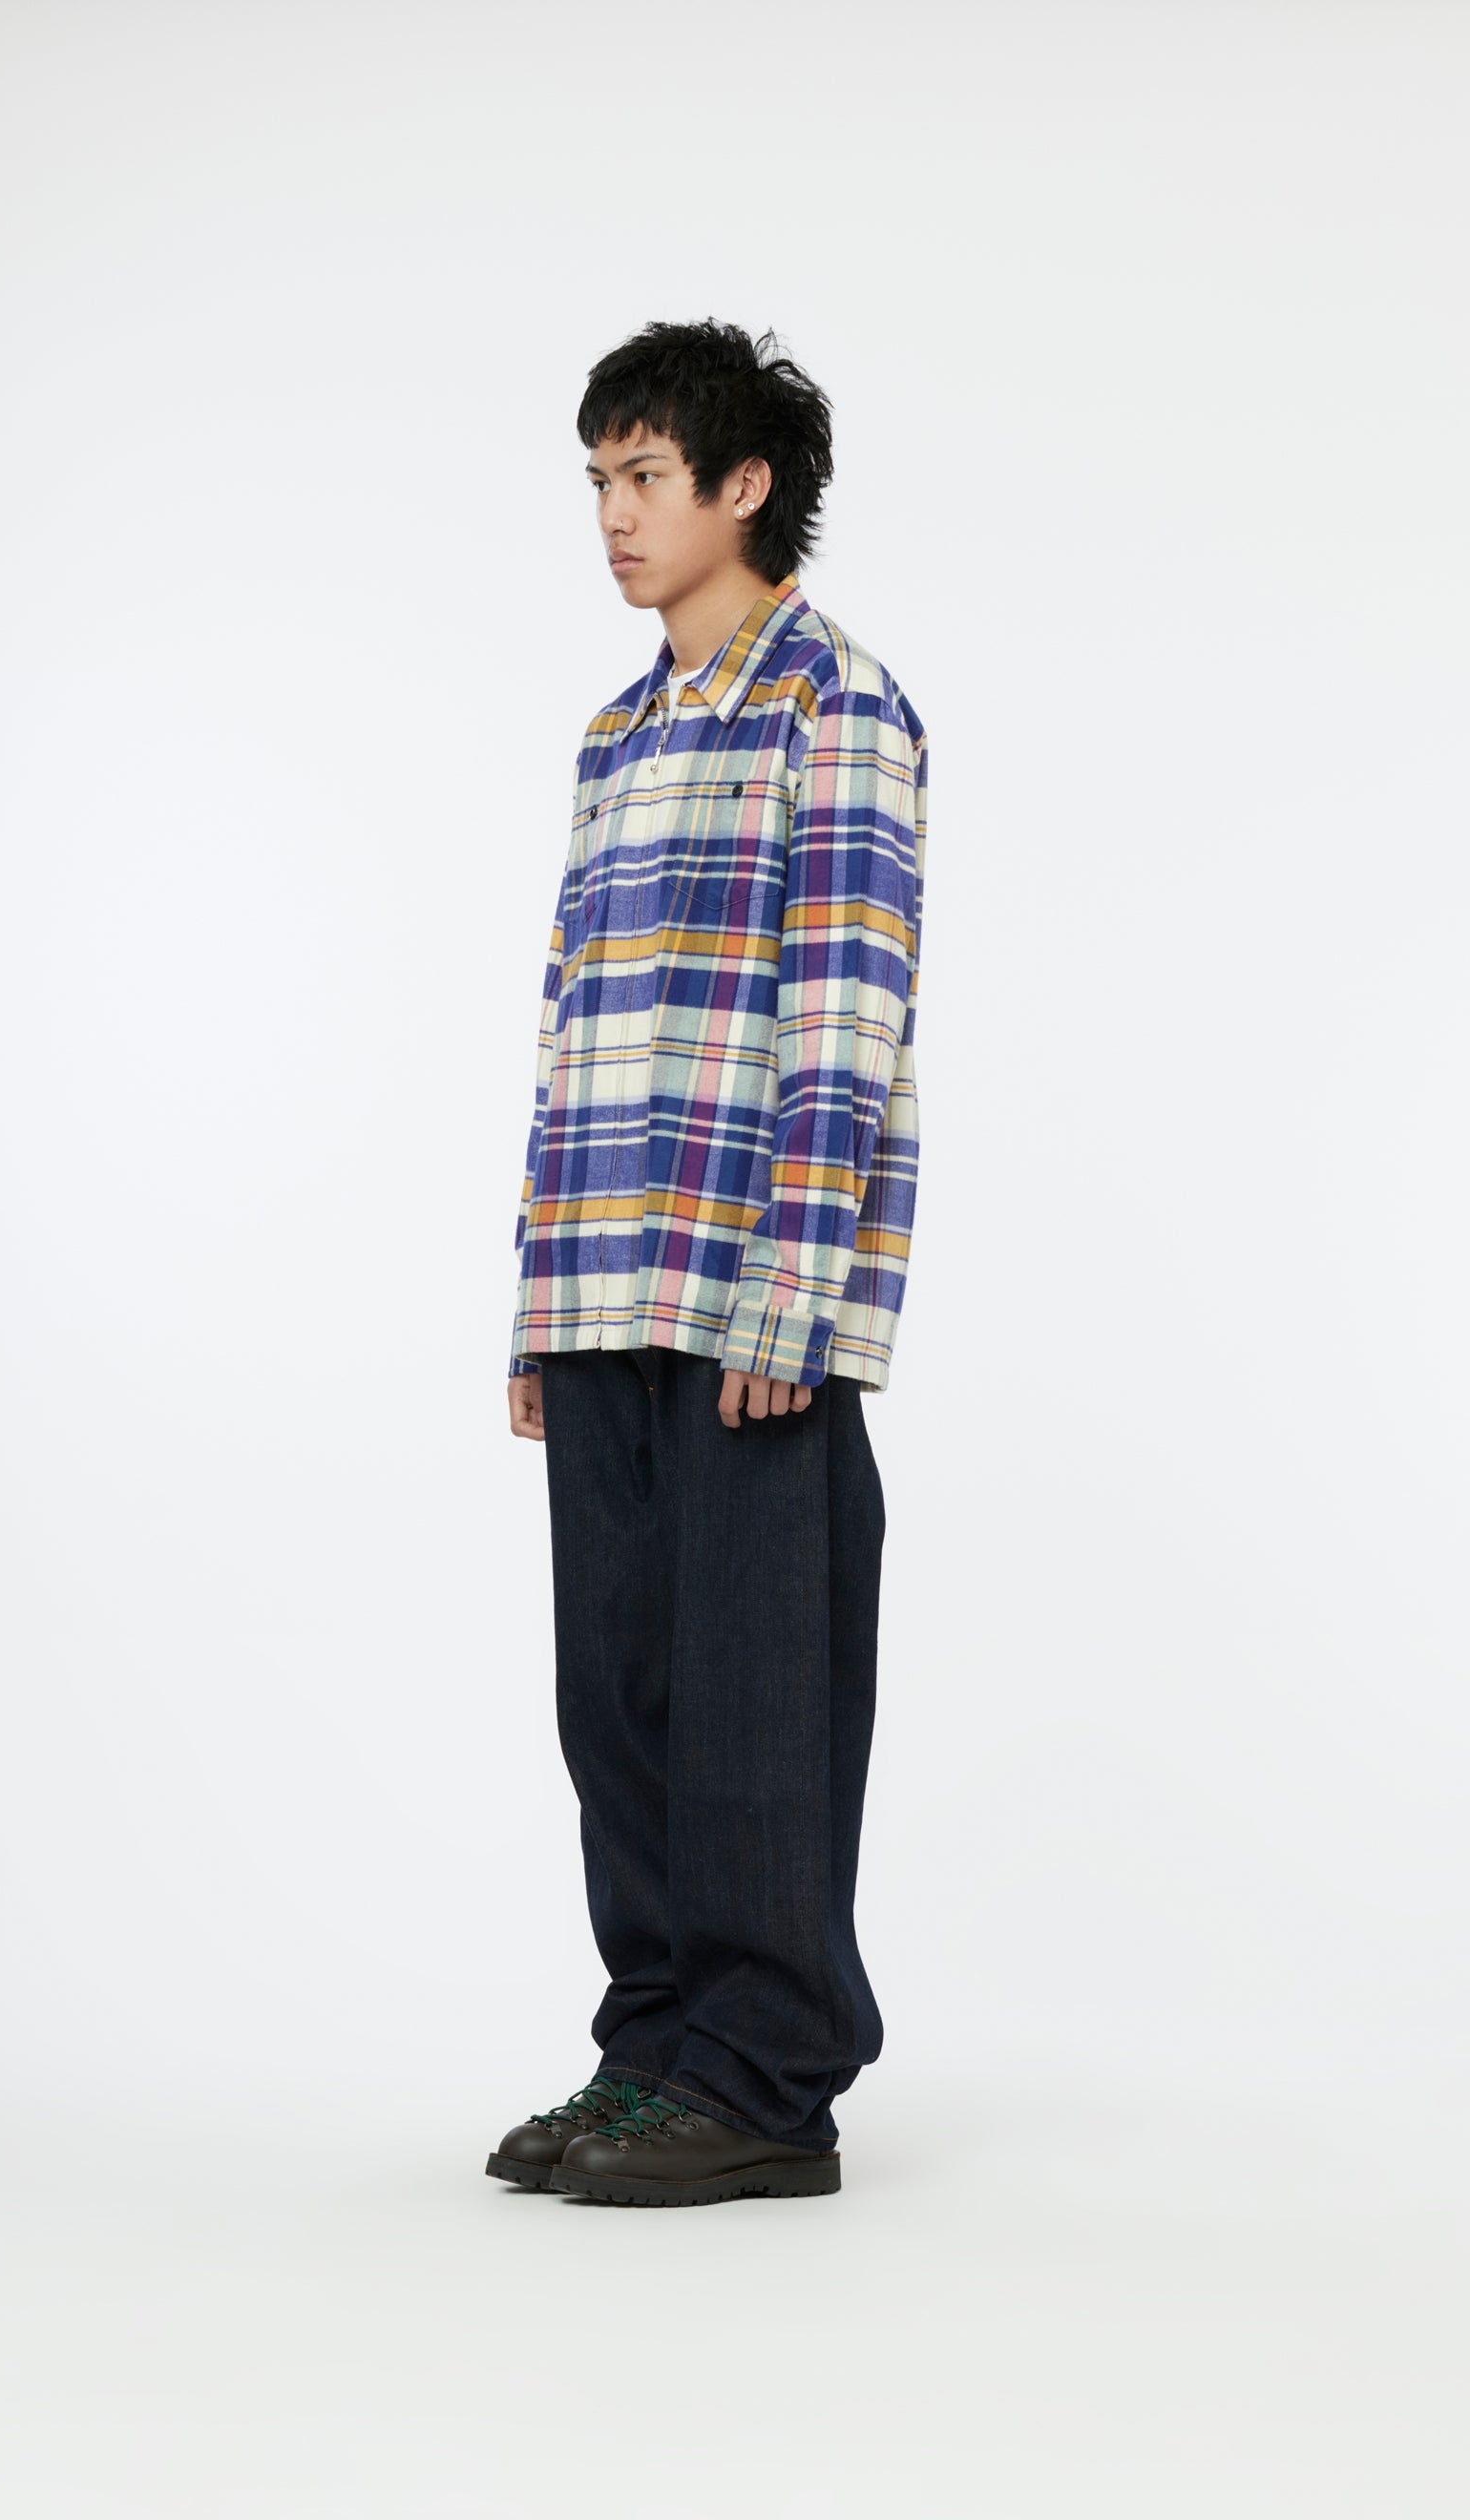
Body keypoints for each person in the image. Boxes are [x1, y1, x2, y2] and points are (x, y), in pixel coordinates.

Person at [490, 319, 928, 2207]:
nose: (614, 511)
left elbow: (845, 1012)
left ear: (745, 486)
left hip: (752, 1290)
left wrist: (797, 1290)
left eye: (646, 475)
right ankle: (658, 2051)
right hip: (605, 1274)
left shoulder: (837, 706)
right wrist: (536, 1299)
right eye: (599, 477)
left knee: (758, 1699)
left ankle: (764, 2080)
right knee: (622, 1701)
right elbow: (572, 1024)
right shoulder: (617, 736)